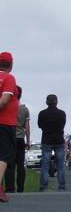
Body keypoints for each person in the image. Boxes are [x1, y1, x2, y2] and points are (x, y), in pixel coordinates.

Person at [38, 94, 67, 191]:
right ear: (56, 101)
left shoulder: (42, 113)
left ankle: (43, 186)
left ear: (47, 102)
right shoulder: (62, 113)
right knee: (60, 165)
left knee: (45, 165)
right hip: (59, 140)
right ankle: (61, 186)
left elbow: (40, 125)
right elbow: (63, 125)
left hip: (46, 139)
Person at [0, 52, 19, 202]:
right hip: (5, 122)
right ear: (10, 65)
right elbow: (4, 101)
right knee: (5, 155)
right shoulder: (8, 78)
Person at [6, 86, 30, 193]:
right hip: (20, 138)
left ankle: (10, 188)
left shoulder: (6, 107)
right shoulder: (24, 109)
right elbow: (27, 127)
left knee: (9, 164)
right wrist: (28, 140)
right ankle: (21, 188)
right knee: (20, 165)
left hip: (9, 138)